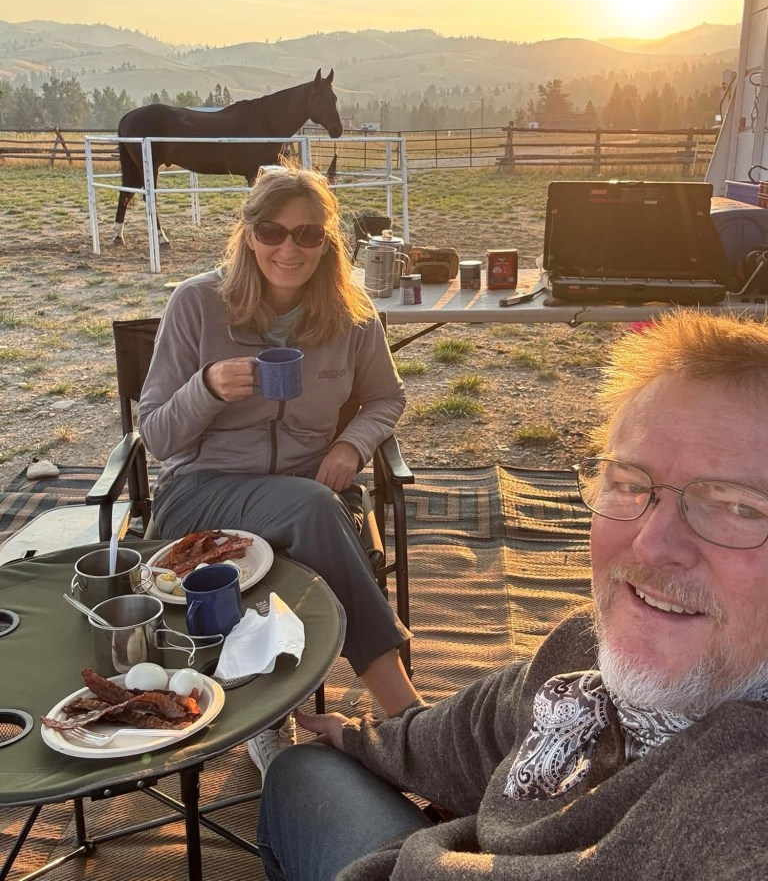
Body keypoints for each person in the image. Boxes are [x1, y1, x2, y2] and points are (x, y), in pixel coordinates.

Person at [257, 309, 768, 881]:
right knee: (304, 768)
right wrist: (361, 740)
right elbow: (480, 729)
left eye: (737, 506)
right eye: (629, 484)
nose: (651, 545)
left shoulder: (744, 807)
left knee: (295, 781)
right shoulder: (581, 655)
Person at [138, 165, 419, 776]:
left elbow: (386, 398)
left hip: (307, 487)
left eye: (308, 234)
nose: (289, 249)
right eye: (272, 231)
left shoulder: (352, 314)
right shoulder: (197, 303)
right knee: (315, 511)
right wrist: (206, 388)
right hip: (200, 492)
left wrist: (350, 447)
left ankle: (275, 715)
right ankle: (408, 719)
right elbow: (155, 434)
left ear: (328, 242)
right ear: (248, 234)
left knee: (313, 512)